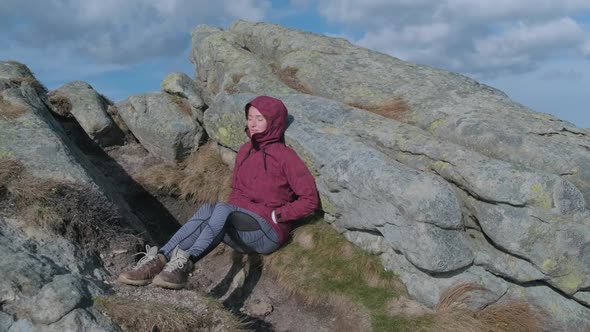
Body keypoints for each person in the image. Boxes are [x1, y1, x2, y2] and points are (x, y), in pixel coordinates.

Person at [118, 95, 319, 289]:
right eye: (250, 118)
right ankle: (159, 260)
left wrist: (279, 215)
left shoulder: (286, 156)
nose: (253, 123)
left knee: (222, 209)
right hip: (242, 226)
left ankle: (185, 264)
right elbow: (237, 191)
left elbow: (309, 200)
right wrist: (228, 213)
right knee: (209, 210)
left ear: (274, 121)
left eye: (260, 118)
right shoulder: (245, 151)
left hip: (268, 232)